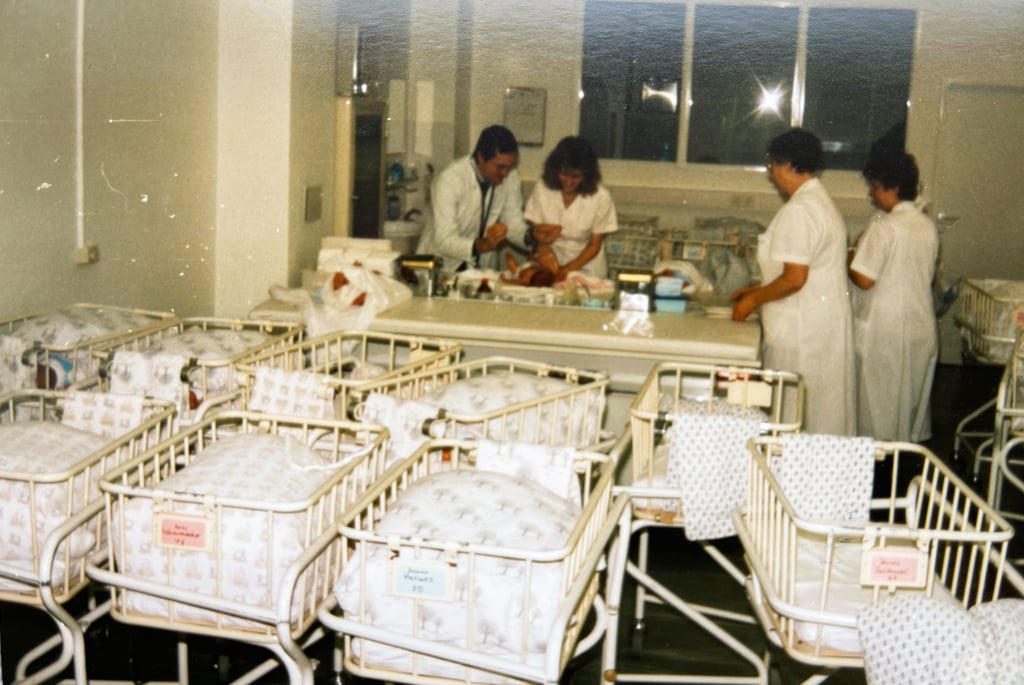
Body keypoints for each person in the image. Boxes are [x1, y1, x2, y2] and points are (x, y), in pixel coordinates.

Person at [731, 128, 856, 436]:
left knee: (795, 413)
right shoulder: (819, 203)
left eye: (772, 166)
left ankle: (791, 479)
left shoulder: (800, 211)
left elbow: (795, 278)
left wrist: (753, 300)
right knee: (820, 413)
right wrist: (757, 289)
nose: (772, 175)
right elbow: (799, 272)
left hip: (801, 331)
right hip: (819, 325)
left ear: (787, 164)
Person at [849, 152, 938, 441]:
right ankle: (905, 466)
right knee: (908, 402)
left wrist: (849, 255)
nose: (871, 194)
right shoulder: (927, 226)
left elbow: (863, 278)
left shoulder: (885, 228)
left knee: (878, 406)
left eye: (875, 186)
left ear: (894, 187)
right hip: (919, 325)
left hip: (884, 329)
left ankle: (878, 468)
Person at [416, 125, 560, 272]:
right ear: (480, 157)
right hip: (441, 267)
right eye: (500, 167)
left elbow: (512, 224)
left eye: (509, 167)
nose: (505, 173)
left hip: (480, 269)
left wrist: (531, 235)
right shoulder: (450, 180)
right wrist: (481, 245)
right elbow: (444, 240)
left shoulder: (510, 177)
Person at [523, 136, 618, 279]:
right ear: (555, 170)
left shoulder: (601, 197)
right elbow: (538, 231)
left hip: (588, 266)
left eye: (576, 177)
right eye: (564, 174)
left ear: (586, 175)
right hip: (550, 259)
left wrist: (567, 269)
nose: (568, 182)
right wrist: (543, 250)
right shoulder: (543, 188)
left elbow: (595, 244)